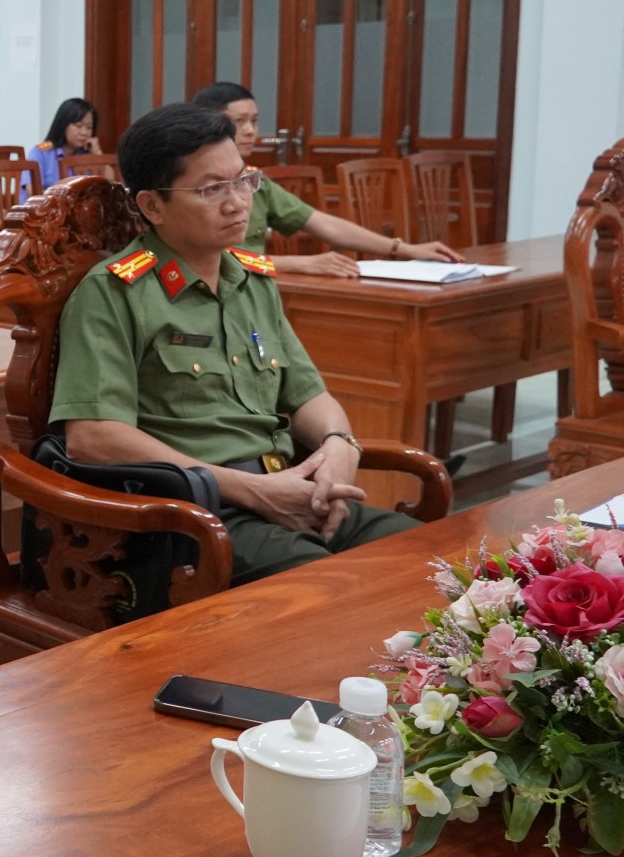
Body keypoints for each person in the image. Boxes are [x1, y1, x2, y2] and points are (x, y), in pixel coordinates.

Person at [50, 102, 420, 586]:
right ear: (153, 206)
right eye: (211, 189)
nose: (238, 202)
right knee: (333, 589)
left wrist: (338, 443)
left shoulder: (252, 279)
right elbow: (93, 437)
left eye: (243, 181)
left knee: (425, 560)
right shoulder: (114, 292)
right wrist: (251, 490)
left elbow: (307, 394)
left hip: (289, 490)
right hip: (197, 515)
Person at [191, 82, 464, 276]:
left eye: (254, 121)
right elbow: (210, 259)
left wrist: (404, 249)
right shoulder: (195, 185)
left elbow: (323, 224)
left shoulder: (254, 181)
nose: (250, 131)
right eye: (239, 122)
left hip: (255, 289)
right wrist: (300, 263)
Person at [21, 98, 101, 196]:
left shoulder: (87, 154)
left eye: (89, 127)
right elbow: (32, 191)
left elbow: (109, 185)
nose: (84, 132)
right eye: (78, 125)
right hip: (44, 205)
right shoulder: (41, 151)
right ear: (63, 124)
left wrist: (98, 154)